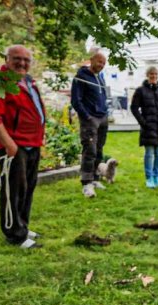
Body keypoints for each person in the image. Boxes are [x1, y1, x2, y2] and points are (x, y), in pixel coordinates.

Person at [0, 45, 45, 249]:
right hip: (14, 145)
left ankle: (22, 226)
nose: (22, 63)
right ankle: (15, 234)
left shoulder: (27, 81)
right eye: (17, 58)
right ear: (6, 59)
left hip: (31, 143)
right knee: (14, 190)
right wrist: (8, 143)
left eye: (26, 60)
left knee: (27, 188)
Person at [71, 51, 109, 198]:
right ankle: (86, 183)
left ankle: (94, 178)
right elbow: (75, 100)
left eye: (104, 63)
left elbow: (102, 96)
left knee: (99, 149)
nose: (101, 65)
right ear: (91, 60)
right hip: (90, 119)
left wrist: (105, 111)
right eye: (99, 62)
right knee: (90, 150)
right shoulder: (80, 77)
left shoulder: (99, 77)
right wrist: (87, 116)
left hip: (102, 117)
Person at [130, 66, 158, 188]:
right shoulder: (140, 91)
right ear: (147, 75)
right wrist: (143, 122)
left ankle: (157, 177)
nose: (153, 76)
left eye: (156, 74)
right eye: (151, 74)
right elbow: (134, 108)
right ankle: (149, 178)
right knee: (149, 153)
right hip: (148, 126)